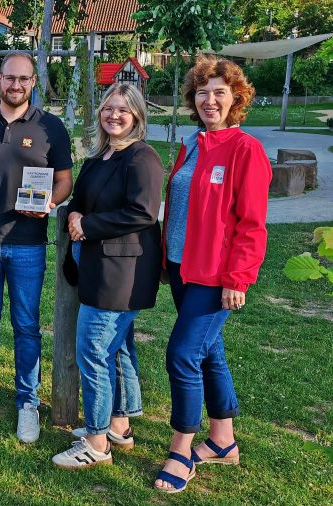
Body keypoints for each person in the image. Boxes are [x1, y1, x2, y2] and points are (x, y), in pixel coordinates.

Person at [153, 56, 272, 493]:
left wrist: (238, 278)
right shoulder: (192, 145)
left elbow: (251, 223)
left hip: (215, 275)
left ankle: (181, 450)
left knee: (183, 354)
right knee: (208, 353)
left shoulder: (245, 150)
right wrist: (168, 261)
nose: (210, 99)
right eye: (203, 92)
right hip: (184, 269)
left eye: (220, 92)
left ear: (235, 98)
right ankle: (223, 440)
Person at [0, 51, 73, 443]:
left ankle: (28, 401)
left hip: (28, 243)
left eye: (23, 79)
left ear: (33, 82)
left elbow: (64, 181)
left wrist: (51, 202)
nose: (16, 85)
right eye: (9, 78)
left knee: (26, 325)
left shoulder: (51, 128)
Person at [51, 83, 163, 469]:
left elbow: (142, 212)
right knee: (117, 349)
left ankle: (96, 444)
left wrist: (90, 224)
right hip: (98, 267)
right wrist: (77, 215)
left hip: (122, 272)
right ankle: (119, 426)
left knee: (93, 352)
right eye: (108, 108)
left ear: (137, 116)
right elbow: (81, 199)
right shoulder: (100, 157)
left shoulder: (142, 157)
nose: (113, 116)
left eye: (123, 110)